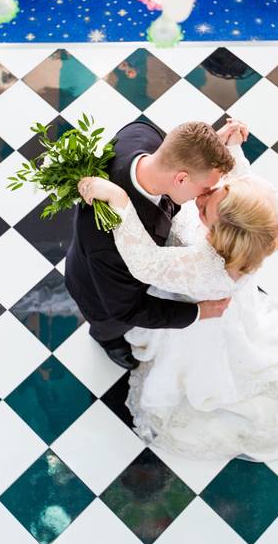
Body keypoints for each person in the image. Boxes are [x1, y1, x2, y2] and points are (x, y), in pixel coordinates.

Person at [76, 119, 278, 462]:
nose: (201, 198)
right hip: (229, 300)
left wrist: (120, 200)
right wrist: (226, 148)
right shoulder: (255, 208)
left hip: (205, 317)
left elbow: (147, 263)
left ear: (220, 237)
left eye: (204, 209)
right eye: (210, 190)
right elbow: (235, 180)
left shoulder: (209, 265)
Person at [64, 120, 236, 370]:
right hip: (99, 292)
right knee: (109, 325)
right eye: (206, 187)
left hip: (113, 267)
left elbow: (183, 153)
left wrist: (214, 145)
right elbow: (127, 310)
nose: (204, 196)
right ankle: (107, 342)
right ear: (181, 179)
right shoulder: (108, 241)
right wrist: (199, 312)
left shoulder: (142, 134)